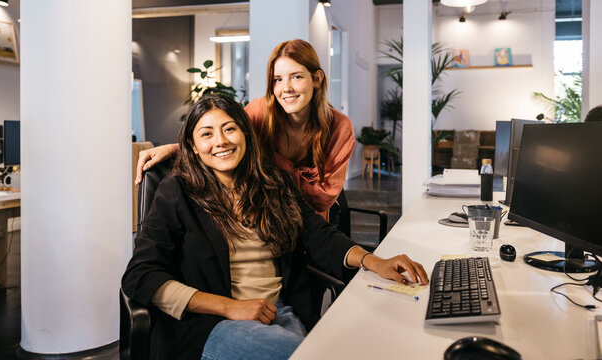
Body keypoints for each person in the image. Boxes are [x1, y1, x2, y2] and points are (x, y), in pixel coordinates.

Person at [122, 94, 428, 360]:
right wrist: (230, 307)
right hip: (211, 323)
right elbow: (140, 276)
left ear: (246, 133)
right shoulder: (177, 191)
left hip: (280, 312)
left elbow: (317, 233)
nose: (221, 141)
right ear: (192, 144)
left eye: (230, 128)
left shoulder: (272, 182)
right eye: (207, 133)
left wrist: (376, 261)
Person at [135, 39, 355, 220]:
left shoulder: (339, 126)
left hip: (311, 224)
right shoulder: (259, 111)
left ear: (316, 78)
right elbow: (227, 140)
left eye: (296, 77)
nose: (286, 88)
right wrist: (175, 149)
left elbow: (322, 198)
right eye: (277, 79)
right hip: (266, 216)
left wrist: (275, 165)